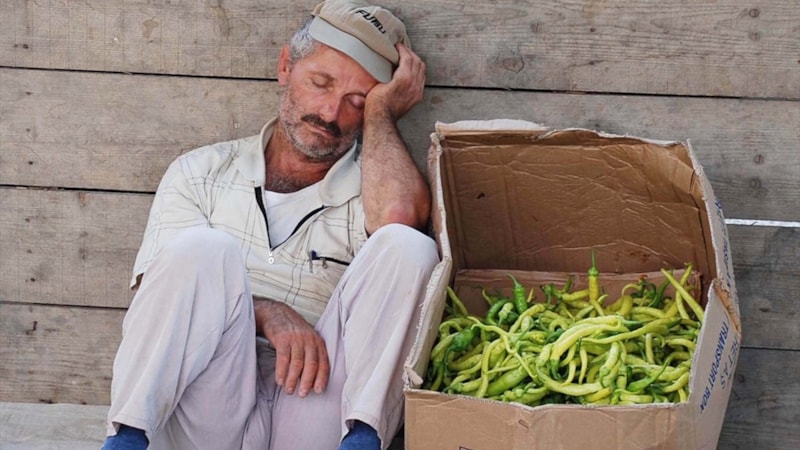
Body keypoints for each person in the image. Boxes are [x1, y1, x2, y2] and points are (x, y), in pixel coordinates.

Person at [101, 0, 439, 449]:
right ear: (286, 67)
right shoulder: (200, 172)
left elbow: (400, 221)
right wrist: (268, 313)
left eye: (357, 101)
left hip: (314, 407)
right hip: (207, 409)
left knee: (409, 246)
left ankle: (361, 444)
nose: (331, 112)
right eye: (320, 83)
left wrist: (382, 113)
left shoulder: (375, 190)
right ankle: (124, 444)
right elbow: (159, 296)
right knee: (203, 250)